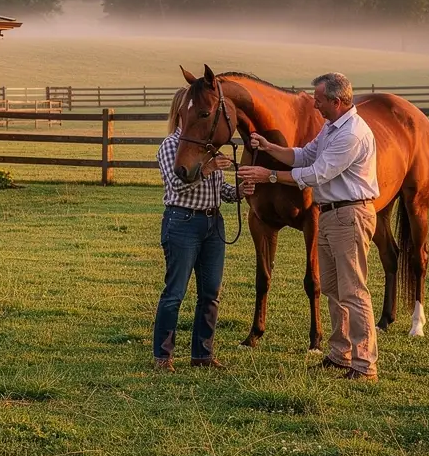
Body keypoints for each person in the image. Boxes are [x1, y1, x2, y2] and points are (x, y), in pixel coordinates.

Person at [239, 72, 380, 381]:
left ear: (338, 101)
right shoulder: (331, 128)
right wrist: (269, 147)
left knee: (354, 290)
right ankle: (340, 354)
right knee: (332, 287)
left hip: (350, 215)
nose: (314, 105)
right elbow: (303, 155)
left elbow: (316, 173)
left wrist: (270, 176)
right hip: (330, 214)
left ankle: (365, 364)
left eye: (320, 101)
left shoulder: (351, 133)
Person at [154, 115, 253, 372]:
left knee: (211, 293)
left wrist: (239, 191)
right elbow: (177, 186)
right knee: (174, 292)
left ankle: (203, 354)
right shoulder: (171, 145)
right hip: (183, 221)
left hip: (212, 223)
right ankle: (163, 356)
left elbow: (217, 189)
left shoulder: (208, 146)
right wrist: (207, 168)